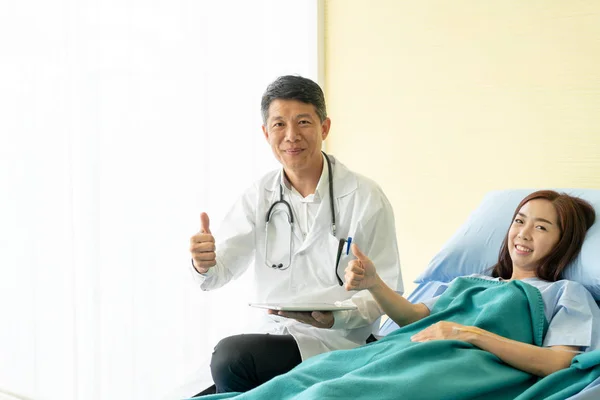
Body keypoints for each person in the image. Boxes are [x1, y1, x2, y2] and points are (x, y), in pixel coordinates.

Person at [194, 190, 598, 399]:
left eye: (542, 227)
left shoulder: (567, 293)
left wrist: (471, 335)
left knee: (332, 394)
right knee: (305, 380)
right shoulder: (473, 281)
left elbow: (559, 364)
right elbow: (414, 319)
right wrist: (374, 283)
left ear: (565, 242)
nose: (523, 234)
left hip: (451, 369)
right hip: (398, 351)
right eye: (520, 221)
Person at [189, 75, 403, 394]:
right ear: (265, 133)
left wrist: (335, 320)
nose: (291, 136)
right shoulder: (259, 196)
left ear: (324, 127)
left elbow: (387, 291)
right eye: (279, 125)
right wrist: (203, 263)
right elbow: (218, 273)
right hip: (273, 337)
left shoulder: (365, 197)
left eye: (303, 122)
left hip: (341, 341)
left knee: (231, 359)